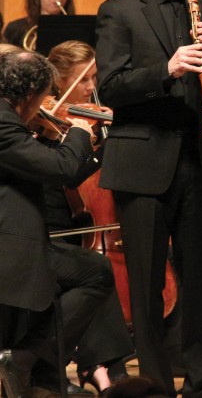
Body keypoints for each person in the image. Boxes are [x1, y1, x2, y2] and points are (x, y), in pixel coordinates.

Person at [96, 0, 202, 398]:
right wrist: (168, 69)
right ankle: (154, 385)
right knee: (149, 284)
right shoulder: (119, 9)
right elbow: (109, 88)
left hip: (197, 160)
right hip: (142, 165)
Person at [0, 50, 109, 397]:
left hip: (17, 235)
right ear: (30, 95)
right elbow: (59, 169)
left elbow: (37, 165)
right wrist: (77, 132)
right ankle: (23, 360)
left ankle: (40, 374)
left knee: (95, 269)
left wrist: (45, 140)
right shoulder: (3, 123)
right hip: (8, 243)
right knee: (94, 273)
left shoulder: (9, 119)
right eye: (43, 97)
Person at [37, 40, 134, 394]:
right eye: (83, 81)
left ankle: (100, 367)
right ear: (58, 85)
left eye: (95, 78)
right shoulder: (42, 127)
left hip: (75, 230)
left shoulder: (85, 124)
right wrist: (87, 144)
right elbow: (66, 174)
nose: (92, 88)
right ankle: (101, 368)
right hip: (47, 232)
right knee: (95, 270)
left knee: (95, 266)